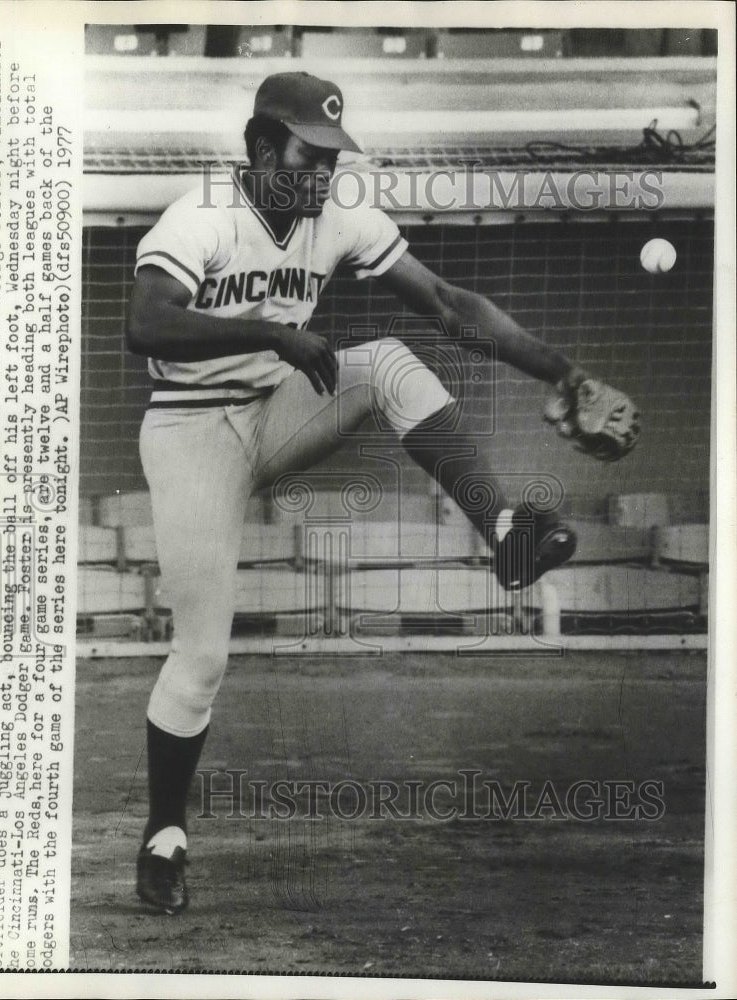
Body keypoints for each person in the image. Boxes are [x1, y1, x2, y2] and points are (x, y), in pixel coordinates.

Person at [126, 71, 584, 914]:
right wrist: (272, 331)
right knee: (202, 659)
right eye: (307, 156)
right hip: (190, 433)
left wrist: (558, 369)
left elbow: (446, 303)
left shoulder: (337, 215)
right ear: (261, 148)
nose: (321, 175)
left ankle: (506, 528)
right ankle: (164, 834)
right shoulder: (200, 217)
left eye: (333, 158)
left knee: (393, 364)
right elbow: (144, 324)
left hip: (275, 409)